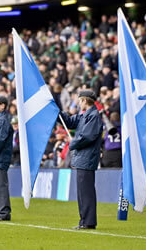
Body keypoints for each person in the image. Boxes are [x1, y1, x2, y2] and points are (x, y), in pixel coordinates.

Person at [59, 90, 103, 230]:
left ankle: (88, 221)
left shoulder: (93, 117)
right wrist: (58, 113)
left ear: (85, 100)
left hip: (87, 158)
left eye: (79, 100)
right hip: (82, 158)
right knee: (82, 192)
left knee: (86, 192)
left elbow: (87, 137)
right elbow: (70, 122)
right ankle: (84, 220)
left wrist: (72, 144)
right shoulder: (85, 116)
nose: (78, 103)